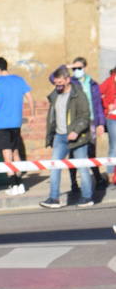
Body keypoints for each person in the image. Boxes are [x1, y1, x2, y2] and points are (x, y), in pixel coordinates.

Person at [40, 65, 94, 209]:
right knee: (54, 166)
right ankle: (54, 198)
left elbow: (85, 115)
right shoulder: (55, 94)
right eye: (56, 83)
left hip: (77, 137)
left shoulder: (79, 94)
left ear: (68, 80)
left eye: (60, 83)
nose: (58, 86)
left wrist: (76, 131)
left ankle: (87, 197)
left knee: (82, 167)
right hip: (59, 136)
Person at [0, 57, 34, 195]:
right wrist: (32, 114)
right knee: (16, 152)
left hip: (1, 123)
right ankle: (20, 184)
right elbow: (30, 97)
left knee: (6, 156)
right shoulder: (19, 80)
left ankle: (13, 185)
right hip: (16, 122)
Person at [70, 57, 106, 194]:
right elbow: (53, 77)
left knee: (91, 151)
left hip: (91, 122)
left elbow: (98, 106)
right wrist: (67, 66)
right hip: (75, 122)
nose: (76, 71)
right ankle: (74, 183)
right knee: (73, 153)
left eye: (79, 68)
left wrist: (101, 123)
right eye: (74, 68)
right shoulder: (70, 82)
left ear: (85, 68)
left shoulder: (92, 84)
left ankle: (97, 178)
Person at [101, 65, 116, 184]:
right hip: (113, 118)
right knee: (114, 147)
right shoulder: (109, 81)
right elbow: (97, 95)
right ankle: (110, 174)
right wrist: (107, 105)